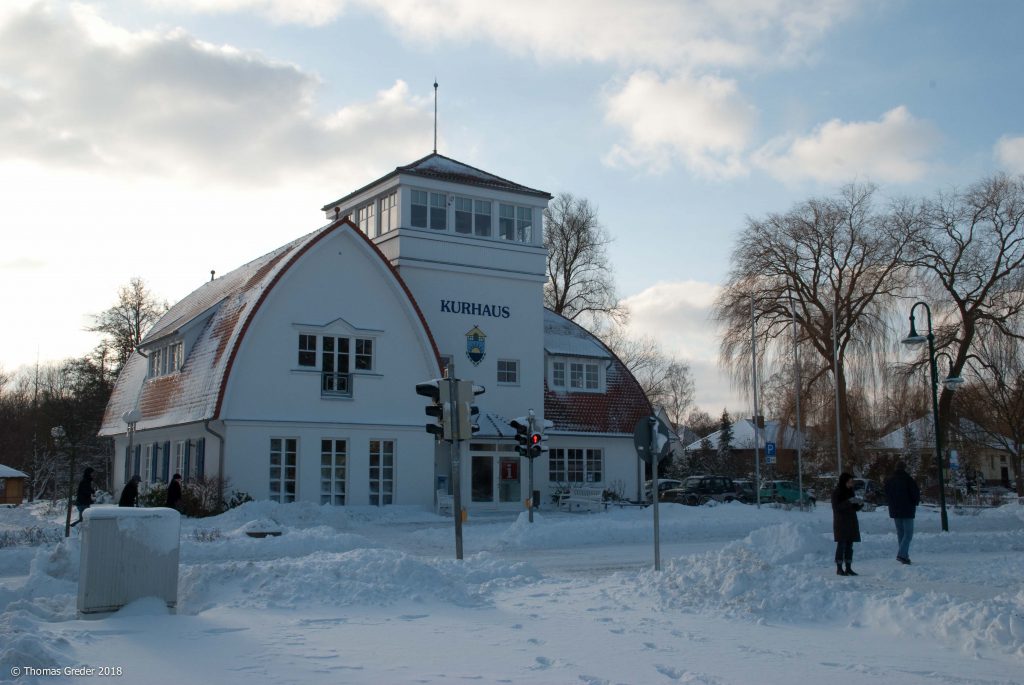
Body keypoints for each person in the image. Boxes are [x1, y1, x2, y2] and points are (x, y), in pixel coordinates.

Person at [884, 461, 921, 564]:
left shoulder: (889, 480)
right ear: (904, 468)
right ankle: (902, 554)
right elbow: (915, 493)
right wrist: (915, 502)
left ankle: (904, 556)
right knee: (908, 534)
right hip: (907, 509)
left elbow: (886, 493)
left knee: (901, 533)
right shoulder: (908, 479)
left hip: (895, 509)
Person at [832, 472, 863, 576]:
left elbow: (853, 508)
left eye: (852, 482)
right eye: (850, 482)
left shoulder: (851, 492)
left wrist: (859, 505)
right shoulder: (837, 492)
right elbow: (837, 508)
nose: (851, 484)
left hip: (851, 522)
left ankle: (848, 567)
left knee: (850, 545)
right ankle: (839, 568)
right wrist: (849, 502)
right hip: (841, 523)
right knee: (841, 545)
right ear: (844, 482)